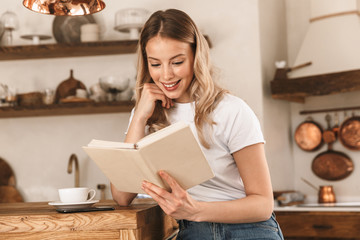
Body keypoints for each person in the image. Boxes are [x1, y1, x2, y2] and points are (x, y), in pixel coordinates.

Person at [111, 8, 284, 240]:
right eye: (155, 64)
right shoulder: (147, 113)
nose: (166, 75)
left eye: (177, 62)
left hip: (249, 229)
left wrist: (196, 210)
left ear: (196, 56)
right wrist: (139, 117)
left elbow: (263, 205)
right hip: (195, 231)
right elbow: (122, 196)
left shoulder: (232, 110)